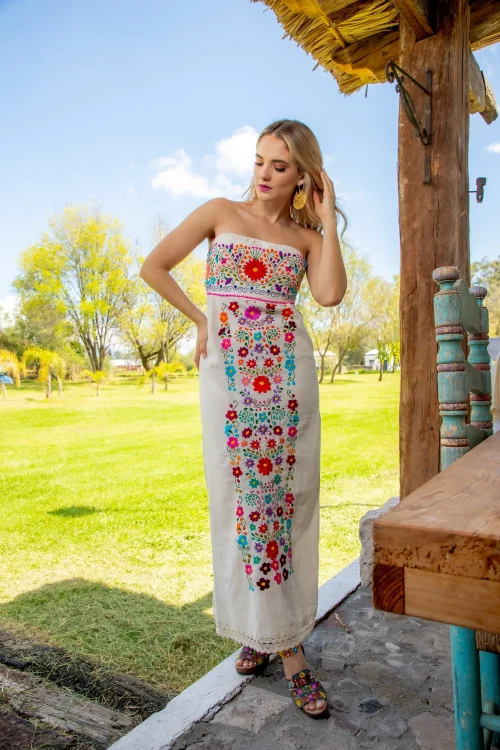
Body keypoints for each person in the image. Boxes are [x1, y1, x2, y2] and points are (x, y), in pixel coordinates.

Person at [140, 119, 347, 719]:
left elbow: (330, 295)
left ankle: (287, 649)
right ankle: (266, 633)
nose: (263, 174)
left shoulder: (307, 239)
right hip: (229, 381)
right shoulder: (220, 213)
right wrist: (201, 320)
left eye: (279, 166)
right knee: (241, 505)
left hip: (286, 380)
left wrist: (327, 219)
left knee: (283, 505)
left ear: (303, 176)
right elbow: (154, 267)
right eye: (259, 161)